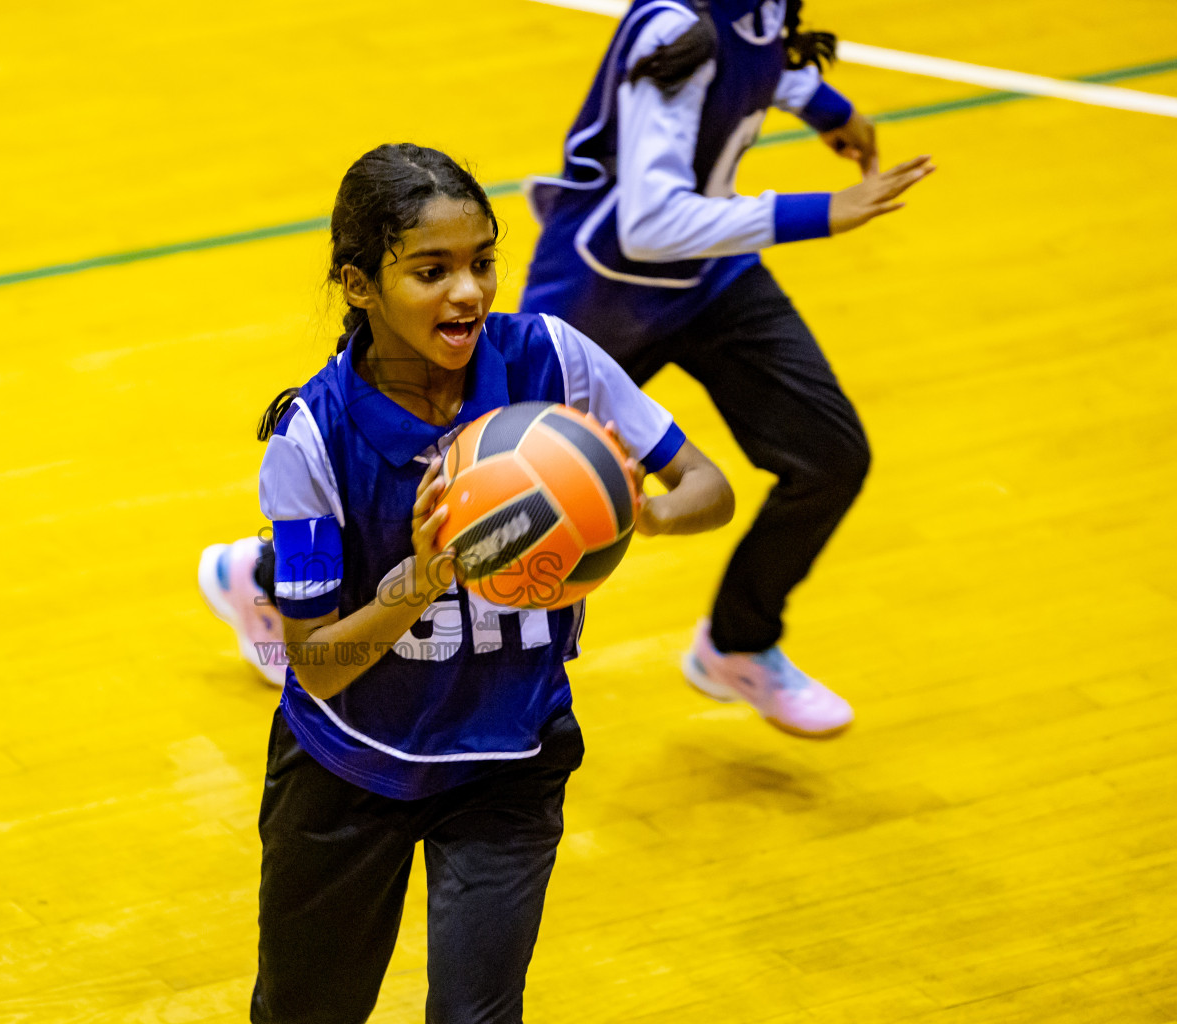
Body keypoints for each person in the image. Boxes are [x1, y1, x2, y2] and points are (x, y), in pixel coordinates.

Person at [244, 143, 732, 1024]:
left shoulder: (554, 360)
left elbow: (710, 488)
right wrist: (424, 579)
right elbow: (314, 666)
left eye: (482, 263)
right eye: (431, 271)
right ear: (358, 285)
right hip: (351, 770)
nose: (467, 291)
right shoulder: (310, 437)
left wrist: (632, 512)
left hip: (509, 760)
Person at [519, 0, 935, 738]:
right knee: (481, 476)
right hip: (601, 289)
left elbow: (756, 56)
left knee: (830, 458)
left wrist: (826, 105)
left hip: (712, 278)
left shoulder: (757, 9)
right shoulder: (678, 27)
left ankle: (736, 648)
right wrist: (822, 211)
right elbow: (648, 224)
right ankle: (269, 582)